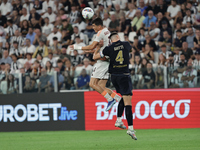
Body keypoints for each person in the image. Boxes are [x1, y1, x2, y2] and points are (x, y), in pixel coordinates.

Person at [70, 18, 122, 111]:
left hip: (102, 62)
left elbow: (91, 46)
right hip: (108, 61)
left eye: (94, 25)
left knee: (92, 84)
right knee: (101, 86)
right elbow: (94, 49)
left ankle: (110, 99)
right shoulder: (107, 32)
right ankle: (118, 98)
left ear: (99, 26)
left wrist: (76, 46)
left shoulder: (100, 32)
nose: (92, 27)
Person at [93, 32, 137, 140]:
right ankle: (130, 129)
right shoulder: (126, 44)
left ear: (111, 40)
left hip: (114, 77)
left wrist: (99, 48)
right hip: (124, 75)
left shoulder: (108, 48)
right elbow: (130, 50)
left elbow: (96, 57)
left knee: (124, 97)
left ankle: (118, 120)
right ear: (117, 37)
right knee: (128, 103)